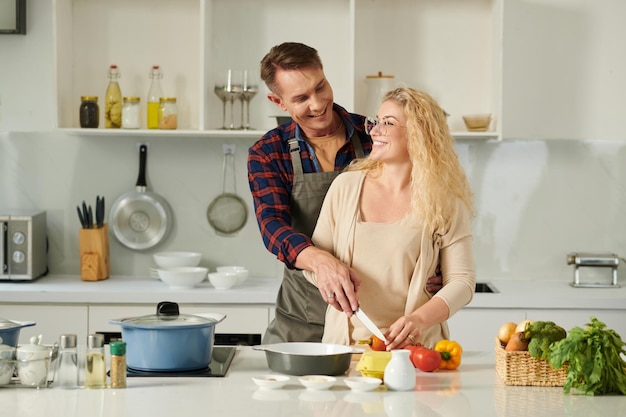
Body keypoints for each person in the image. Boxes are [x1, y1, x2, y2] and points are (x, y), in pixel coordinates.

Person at [247, 42, 441, 344]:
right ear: (278, 101)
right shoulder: (269, 152)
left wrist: (433, 265)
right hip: (303, 316)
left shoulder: (373, 134)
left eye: (320, 87)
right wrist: (321, 261)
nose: (317, 103)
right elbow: (272, 226)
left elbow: (424, 202)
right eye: (301, 98)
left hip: (374, 326)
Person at [303, 87, 476, 350]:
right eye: (376, 121)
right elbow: (314, 263)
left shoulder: (445, 202)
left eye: (388, 123)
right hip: (346, 349)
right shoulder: (346, 187)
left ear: (419, 134)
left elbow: (462, 282)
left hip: (416, 352)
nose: (374, 130)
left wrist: (418, 320)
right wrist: (330, 280)